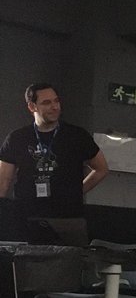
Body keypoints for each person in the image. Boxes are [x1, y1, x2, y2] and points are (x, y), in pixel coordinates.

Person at [0, 83, 109, 244]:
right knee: (26, 259)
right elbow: (3, 181)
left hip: (68, 218)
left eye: (56, 101)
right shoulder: (17, 138)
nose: (54, 107)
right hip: (27, 216)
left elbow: (101, 168)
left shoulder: (77, 135)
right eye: (46, 102)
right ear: (32, 106)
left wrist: (77, 191)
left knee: (70, 259)